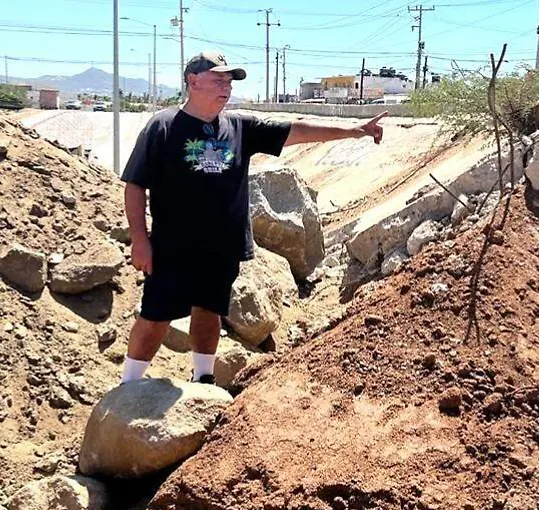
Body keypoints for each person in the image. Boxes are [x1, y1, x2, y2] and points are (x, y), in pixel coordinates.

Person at [120, 51, 387, 385]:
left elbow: (297, 130)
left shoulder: (239, 127)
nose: (227, 87)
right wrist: (140, 239)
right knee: (156, 315)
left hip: (222, 246)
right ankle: (129, 384)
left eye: (229, 81)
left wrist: (354, 130)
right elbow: (135, 185)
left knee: (210, 310)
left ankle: (203, 378)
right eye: (219, 79)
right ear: (193, 81)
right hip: (172, 246)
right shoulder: (163, 126)